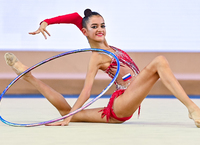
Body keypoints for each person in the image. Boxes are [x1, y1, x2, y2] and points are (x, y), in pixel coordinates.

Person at [5, 9, 200, 127]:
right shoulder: (97, 58)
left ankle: (27, 75)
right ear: (84, 32)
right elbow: (86, 91)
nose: (100, 29)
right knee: (160, 61)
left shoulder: (109, 48)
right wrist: (68, 120)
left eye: (103, 25)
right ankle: (192, 108)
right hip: (122, 102)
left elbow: (75, 17)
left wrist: (47, 22)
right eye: (95, 27)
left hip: (118, 109)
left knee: (67, 113)